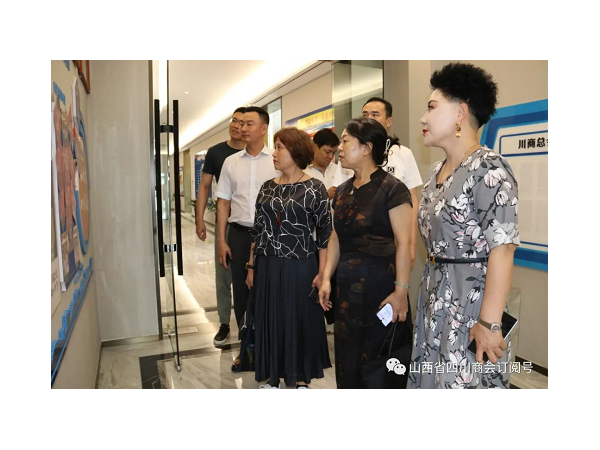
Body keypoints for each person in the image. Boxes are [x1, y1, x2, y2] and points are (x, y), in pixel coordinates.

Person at [408, 62, 519, 389]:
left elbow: (503, 248)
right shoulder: (435, 172)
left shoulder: (489, 168)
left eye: (432, 107)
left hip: (471, 307)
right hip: (433, 299)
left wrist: (490, 323)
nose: (423, 118)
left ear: (460, 113)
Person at [318, 118, 413, 389]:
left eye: (345, 141)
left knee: (380, 362)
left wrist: (401, 292)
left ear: (366, 148)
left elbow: (404, 243)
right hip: (347, 291)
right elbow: (335, 236)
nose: (339, 148)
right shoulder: (342, 191)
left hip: (381, 290)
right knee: (348, 359)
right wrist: (326, 278)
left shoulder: (393, 189)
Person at [247, 127, 332, 389]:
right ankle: (272, 377)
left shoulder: (314, 187)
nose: (274, 153)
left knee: (299, 320)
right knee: (271, 320)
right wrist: (251, 267)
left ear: (295, 152)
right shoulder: (267, 187)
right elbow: (258, 230)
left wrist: (323, 274)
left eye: (280, 147)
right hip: (268, 264)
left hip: (301, 265)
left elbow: (325, 235)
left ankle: (301, 378)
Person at [215, 106, 279, 370]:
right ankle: (246, 349)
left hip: (271, 237)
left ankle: (271, 348)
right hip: (239, 235)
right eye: (241, 124)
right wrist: (222, 240)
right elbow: (223, 202)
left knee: (271, 291)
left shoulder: (276, 160)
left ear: (264, 128)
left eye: (249, 124)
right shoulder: (231, 162)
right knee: (241, 293)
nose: (242, 128)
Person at [195, 107, 246, 346]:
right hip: (226, 222)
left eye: (243, 122)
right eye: (234, 120)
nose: (237, 126)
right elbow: (205, 186)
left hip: (251, 224)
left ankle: (250, 322)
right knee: (223, 275)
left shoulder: (255, 152)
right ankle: (224, 322)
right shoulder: (216, 153)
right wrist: (199, 218)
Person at [359, 97, 423, 268]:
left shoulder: (403, 153)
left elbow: (413, 201)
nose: (369, 118)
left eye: (375, 114)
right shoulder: (352, 153)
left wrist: (411, 244)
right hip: (359, 239)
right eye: (365, 114)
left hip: (394, 237)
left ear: (388, 121)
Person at [303, 128, 340, 200]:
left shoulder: (338, 170)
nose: (331, 156)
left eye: (333, 153)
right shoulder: (303, 172)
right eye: (327, 152)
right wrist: (324, 196)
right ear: (315, 147)